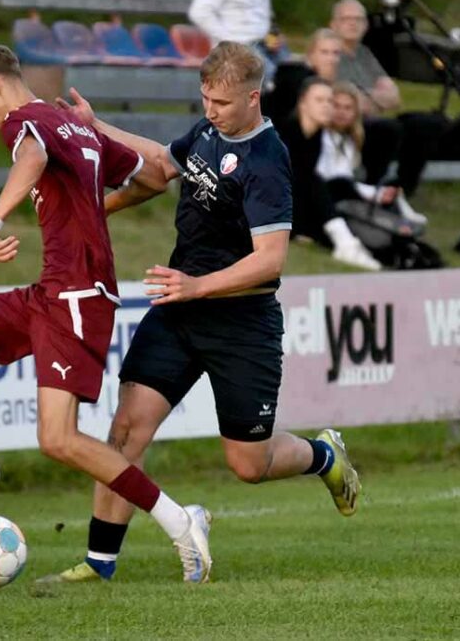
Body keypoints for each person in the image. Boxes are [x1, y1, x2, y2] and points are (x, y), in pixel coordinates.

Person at [38, 42, 362, 584]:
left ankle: (324, 456)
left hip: (241, 323)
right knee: (126, 431)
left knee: (247, 465)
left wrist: (198, 286)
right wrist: (97, 130)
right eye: (205, 98)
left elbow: (271, 259)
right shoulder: (211, 130)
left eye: (222, 102)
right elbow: (163, 163)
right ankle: (100, 562)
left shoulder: (267, 162)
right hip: (179, 311)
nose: (210, 110)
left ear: (254, 98)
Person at [0, 39, 213, 583]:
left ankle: (180, 521)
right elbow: (155, 175)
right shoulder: (71, 123)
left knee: (59, 439)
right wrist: (98, 207)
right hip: (54, 291)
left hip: (77, 297)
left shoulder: (24, 122)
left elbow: (33, 157)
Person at [330, 0, 446, 197]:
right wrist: (373, 99)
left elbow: (394, 97)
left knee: (427, 123)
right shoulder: (329, 52)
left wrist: (368, 98)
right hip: (345, 124)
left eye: (358, 19)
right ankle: (373, 190)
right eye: (346, 19)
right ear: (333, 24)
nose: (352, 23)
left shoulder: (364, 54)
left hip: (372, 118)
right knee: (388, 129)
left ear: (366, 25)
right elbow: (350, 102)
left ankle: (402, 190)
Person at [275, 77, 381, 270]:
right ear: (303, 104)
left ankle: (350, 242)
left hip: (292, 209)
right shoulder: (286, 133)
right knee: (313, 179)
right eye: (319, 100)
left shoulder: (315, 136)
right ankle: (344, 243)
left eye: (330, 101)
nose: (327, 106)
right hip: (263, 212)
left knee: (337, 186)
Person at [318, 81, 427, 226]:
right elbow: (332, 179)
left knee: (388, 190)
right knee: (347, 187)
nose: (341, 112)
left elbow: (346, 179)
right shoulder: (321, 136)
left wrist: (377, 192)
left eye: (347, 108)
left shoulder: (349, 140)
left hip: (344, 189)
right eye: (336, 106)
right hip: (325, 193)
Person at [187, 0, 280, 86]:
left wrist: (272, 39)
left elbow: (266, 19)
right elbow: (200, 12)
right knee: (277, 78)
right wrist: (231, 41)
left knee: (297, 70)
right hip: (236, 52)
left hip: (265, 48)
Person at [264, 27, 342, 128]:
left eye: (335, 53)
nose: (331, 58)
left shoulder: (337, 83)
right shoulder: (296, 80)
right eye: (324, 52)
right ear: (311, 54)